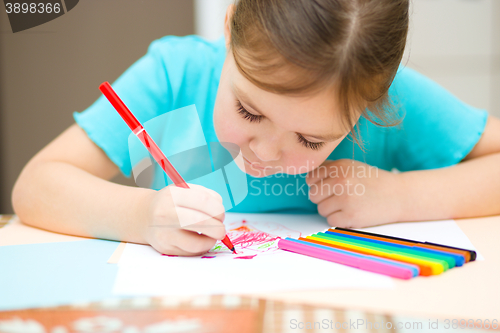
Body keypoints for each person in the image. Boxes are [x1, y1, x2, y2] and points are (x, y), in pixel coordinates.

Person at [12, 0, 500, 256]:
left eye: (311, 140)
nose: (267, 152)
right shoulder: (172, 75)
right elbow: (36, 185)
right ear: (228, 27)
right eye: (248, 112)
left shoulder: (391, 98)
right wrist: (141, 216)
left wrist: (401, 196)